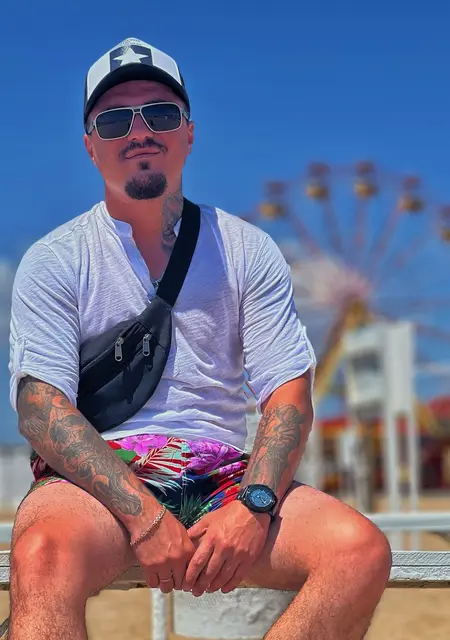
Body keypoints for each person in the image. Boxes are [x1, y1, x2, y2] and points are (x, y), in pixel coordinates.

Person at [7, 37, 391, 640]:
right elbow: (40, 406)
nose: (139, 131)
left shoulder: (246, 250)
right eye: (114, 120)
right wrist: (142, 516)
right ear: (90, 146)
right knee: (43, 556)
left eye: (160, 114)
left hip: (224, 476)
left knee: (358, 551)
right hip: (100, 479)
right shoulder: (56, 259)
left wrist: (255, 504)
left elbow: (287, 392)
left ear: (188, 133)